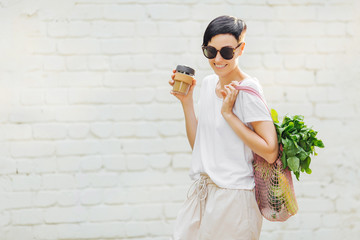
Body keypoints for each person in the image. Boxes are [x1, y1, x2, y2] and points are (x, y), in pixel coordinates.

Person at [169, 15, 279, 240]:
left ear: (241, 49)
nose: (218, 59)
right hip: (205, 194)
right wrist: (187, 103)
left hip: (235, 199)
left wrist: (229, 114)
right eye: (211, 51)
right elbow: (200, 147)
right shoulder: (209, 84)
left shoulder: (248, 90)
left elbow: (270, 151)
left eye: (226, 52)